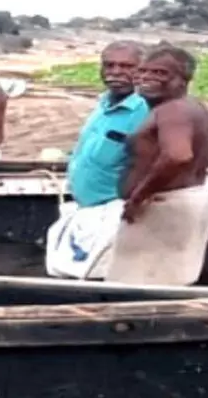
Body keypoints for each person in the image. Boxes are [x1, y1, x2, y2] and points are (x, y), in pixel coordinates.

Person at [104, 43, 208, 286]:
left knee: (140, 285)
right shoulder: (185, 107)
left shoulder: (173, 111)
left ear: (183, 79)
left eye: (160, 73)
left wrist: (139, 197)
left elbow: (178, 156)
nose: (147, 78)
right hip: (174, 203)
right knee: (160, 280)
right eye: (143, 71)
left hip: (163, 206)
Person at [44, 41, 151, 280]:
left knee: (102, 277)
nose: (115, 72)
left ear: (142, 70)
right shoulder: (104, 104)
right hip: (87, 211)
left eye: (126, 66)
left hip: (114, 212)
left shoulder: (144, 111)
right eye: (109, 65)